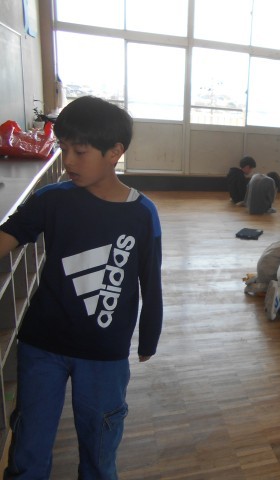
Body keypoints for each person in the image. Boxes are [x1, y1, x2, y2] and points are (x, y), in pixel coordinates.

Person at [0, 96, 163, 478]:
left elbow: (150, 280)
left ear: (114, 152)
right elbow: (9, 235)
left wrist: (149, 337)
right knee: (28, 445)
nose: (68, 161)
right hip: (42, 345)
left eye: (80, 151)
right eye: (63, 148)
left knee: (100, 448)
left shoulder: (142, 213)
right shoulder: (52, 199)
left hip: (104, 353)